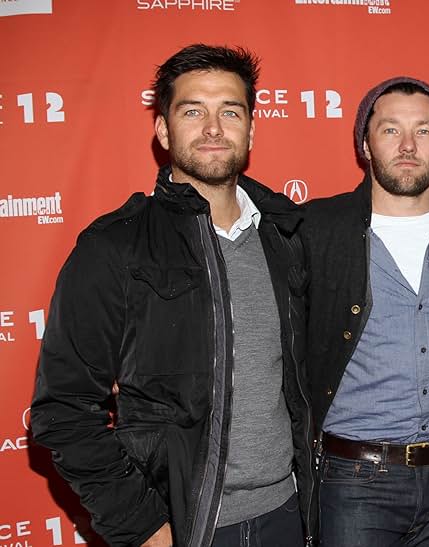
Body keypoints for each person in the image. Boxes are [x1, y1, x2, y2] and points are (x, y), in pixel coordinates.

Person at [30, 44, 315, 547]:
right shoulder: (115, 247)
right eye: (192, 110)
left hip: (286, 514)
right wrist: (142, 526)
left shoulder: (286, 236)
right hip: (185, 525)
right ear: (163, 130)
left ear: (251, 128)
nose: (213, 128)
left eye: (230, 111)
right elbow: (64, 412)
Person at [300, 76, 429, 547]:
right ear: (365, 144)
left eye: (424, 131)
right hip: (354, 483)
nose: (408, 145)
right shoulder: (318, 230)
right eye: (390, 129)